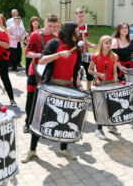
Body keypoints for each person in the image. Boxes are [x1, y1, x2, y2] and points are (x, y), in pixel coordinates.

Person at [21, 21, 83, 163]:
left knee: (66, 121)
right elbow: (42, 60)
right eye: (76, 31)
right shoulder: (54, 44)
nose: (78, 34)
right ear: (69, 32)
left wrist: (79, 86)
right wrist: (58, 55)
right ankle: (32, 150)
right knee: (40, 120)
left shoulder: (77, 48)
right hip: (50, 86)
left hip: (68, 87)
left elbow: (76, 71)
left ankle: (63, 149)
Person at [22, 14, 58, 133]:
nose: (52, 29)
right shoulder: (35, 35)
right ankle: (28, 121)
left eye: (54, 26)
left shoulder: (57, 37)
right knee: (31, 97)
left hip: (49, 72)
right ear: (45, 23)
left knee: (46, 99)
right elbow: (27, 53)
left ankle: (43, 122)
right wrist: (41, 56)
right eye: (49, 26)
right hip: (35, 71)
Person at [88, 35, 121, 140]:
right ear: (101, 44)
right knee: (100, 107)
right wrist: (98, 74)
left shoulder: (114, 56)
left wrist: (115, 79)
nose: (108, 45)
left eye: (110, 43)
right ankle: (99, 129)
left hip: (110, 83)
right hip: (100, 84)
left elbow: (115, 72)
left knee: (112, 105)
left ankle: (111, 125)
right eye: (106, 43)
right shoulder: (95, 56)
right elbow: (89, 70)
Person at [75, 7, 96, 92]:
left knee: (90, 70)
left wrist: (91, 45)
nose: (81, 18)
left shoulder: (85, 26)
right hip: (76, 51)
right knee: (75, 70)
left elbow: (84, 40)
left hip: (85, 51)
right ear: (75, 16)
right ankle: (77, 89)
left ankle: (88, 89)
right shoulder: (73, 25)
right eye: (79, 16)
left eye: (82, 16)